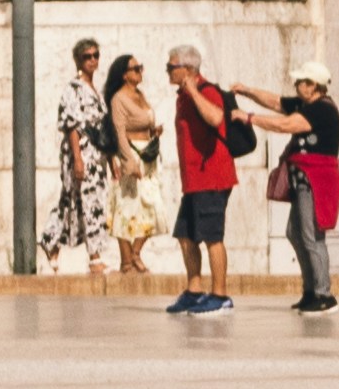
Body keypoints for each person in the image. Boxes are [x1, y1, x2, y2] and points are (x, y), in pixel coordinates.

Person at [166, 47, 265, 324]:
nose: (168, 71)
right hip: (194, 180)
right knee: (185, 234)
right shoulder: (182, 97)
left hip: (213, 177)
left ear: (188, 69)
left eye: (172, 66)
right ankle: (194, 290)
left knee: (212, 236)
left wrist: (194, 91)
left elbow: (216, 118)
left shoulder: (206, 91)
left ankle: (220, 295)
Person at [273, 63, 339, 318]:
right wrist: (246, 91)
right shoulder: (308, 106)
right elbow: (274, 102)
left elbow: (285, 126)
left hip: (316, 180)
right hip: (303, 180)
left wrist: (248, 118)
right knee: (295, 233)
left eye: (300, 82)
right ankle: (310, 291)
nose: (296, 86)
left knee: (312, 236)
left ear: (313, 86)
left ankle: (324, 294)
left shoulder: (322, 110)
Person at [46, 37, 114, 276]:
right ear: (78, 60)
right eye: (87, 56)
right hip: (81, 153)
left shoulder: (96, 89)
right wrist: (77, 158)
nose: (93, 60)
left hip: (96, 156)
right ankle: (95, 258)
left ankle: (51, 241)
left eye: (96, 55)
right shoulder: (73, 89)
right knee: (88, 201)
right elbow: (71, 125)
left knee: (75, 201)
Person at [103, 55, 163, 284]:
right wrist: (128, 161)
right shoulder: (119, 99)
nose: (140, 72)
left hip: (148, 155)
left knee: (154, 207)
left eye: (141, 67)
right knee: (127, 208)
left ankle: (135, 253)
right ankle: (127, 261)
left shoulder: (140, 96)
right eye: (135, 68)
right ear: (124, 74)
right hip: (132, 155)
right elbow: (119, 131)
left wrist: (154, 131)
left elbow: (143, 123)